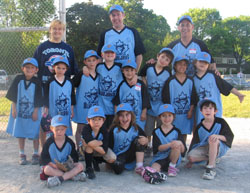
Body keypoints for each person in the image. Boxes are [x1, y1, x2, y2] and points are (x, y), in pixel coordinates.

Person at [33, 19, 78, 147]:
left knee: (62, 120)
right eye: (55, 28)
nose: (57, 31)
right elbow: (35, 66)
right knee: (46, 120)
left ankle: (61, 147)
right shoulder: (42, 47)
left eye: (60, 29)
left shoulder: (67, 48)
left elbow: (74, 69)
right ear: (50, 30)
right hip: (45, 88)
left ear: (63, 31)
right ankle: (44, 149)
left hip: (62, 88)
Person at [6, 58, 43, 165]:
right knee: (20, 131)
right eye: (27, 67)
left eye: (32, 67)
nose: (29, 69)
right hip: (19, 110)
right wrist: (14, 109)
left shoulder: (37, 82)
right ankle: (22, 154)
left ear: (36, 70)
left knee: (36, 132)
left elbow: (39, 98)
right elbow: (13, 95)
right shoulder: (18, 79)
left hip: (33, 112)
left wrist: (36, 111)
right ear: (23, 68)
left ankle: (36, 154)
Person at [186, 98, 234, 180]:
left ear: (215, 111)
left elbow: (230, 136)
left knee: (212, 139)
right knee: (191, 157)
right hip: (206, 148)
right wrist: (190, 160)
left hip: (219, 146)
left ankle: (210, 168)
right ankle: (213, 158)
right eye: (205, 108)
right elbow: (195, 142)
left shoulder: (221, 122)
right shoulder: (200, 126)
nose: (207, 110)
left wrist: (218, 136)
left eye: (210, 108)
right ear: (201, 111)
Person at [193, 52, 245, 124]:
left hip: (214, 109)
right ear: (195, 62)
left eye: (205, 62)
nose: (203, 64)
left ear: (208, 65)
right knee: (202, 128)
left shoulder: (213, 76)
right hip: (200, 111)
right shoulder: (192, 78)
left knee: (215, 128)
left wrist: (239, 94)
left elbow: (227, 86)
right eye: (200, 61)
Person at [139, 48, 174, 151]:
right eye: (162, 57)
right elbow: (141, 74)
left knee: (160, 126)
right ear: (158, 56)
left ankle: (158, 144)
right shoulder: (149, 67)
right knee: (148, 128)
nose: (163, 60)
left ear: (169, 63)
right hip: (149, 103)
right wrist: (145, 83)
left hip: (161, 104)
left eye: (167, 60)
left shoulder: (167, 72)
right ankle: (148, 144)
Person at [40, 115, 86, 188]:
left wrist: (69, 164)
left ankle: (61, 178)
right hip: (55, 167)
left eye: (62, 129)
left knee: (80, 166)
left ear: (66, 129)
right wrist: (54, 165)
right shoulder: (48, 142)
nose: (59, 132)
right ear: (52, 128)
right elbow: (44, 158)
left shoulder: (70, 142)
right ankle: (71, 176)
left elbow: (74, 157)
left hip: (67, 167)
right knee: (47, 169)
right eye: (57, 129)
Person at [97, 4, 146, 70]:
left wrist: (135, 72)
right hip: (111, 73)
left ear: (123, 15)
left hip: (128, 73)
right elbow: (100, 56)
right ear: (110, 17)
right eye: (113, 15)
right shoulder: (105, 34)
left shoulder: (133, 32)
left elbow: (139, 55)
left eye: (118, 14)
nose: (116, 18)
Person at [162, 56, 198, 142]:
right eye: (179, 64)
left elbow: (193, 98)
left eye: (184, 65)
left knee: (183, 133)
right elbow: (165, 98)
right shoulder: (170, 81)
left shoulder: (190, 80)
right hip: (174, 114)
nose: (182, 66)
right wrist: (169, 114)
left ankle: (182, 149)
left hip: (186, 113)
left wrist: (190, 110)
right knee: (172, 132)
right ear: (175, 66)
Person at [72, 50, 100, 159]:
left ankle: (89, 149)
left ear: (97, 61)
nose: (91, 63)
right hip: (81, 107)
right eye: (89, 61)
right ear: (85, 62)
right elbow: (71, 86)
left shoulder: (99, 75)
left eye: (93, 60)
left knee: (93, 129)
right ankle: (79, 149)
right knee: (80, 129)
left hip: (94, 109)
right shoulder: (81, 74)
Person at [109, 103, 148, 175]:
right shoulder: (114, 130)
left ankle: (139, 167)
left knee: (139, 139)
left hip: (132, 154)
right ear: (117, 117)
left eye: (127, 114)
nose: (125, 118)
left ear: (132, 115)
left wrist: (145, 140)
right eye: (121, 115)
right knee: (117, 170)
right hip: (119, 155)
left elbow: (145, 140)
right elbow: (109, 147)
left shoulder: (135, 128)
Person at [112, 60, 150, 130]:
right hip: (124, 118)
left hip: (138, 117)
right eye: (127, 70)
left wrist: (144, 113)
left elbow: (145, 99)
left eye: (132, 70)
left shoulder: (140, 84)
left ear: (135, 71)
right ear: (123, 71)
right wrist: (116, 114)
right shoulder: (121, 85)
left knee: (138, 134)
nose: (129, 73)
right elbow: (116, 102)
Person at [151, 104, 186, 177]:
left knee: (177, 145)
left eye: (169, 115)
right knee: (153, 169)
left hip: (172, 157)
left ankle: (172, 167)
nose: (167, 118)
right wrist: (170, 144)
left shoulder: (177, 131)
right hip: (160, 157)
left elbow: (183, 150)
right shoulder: (156, 131)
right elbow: (158, 148)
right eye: (164, 116)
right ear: (159, 117)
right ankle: (157, 174)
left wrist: (179, 143)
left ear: (174, 117)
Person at [81, 105, 116, 179]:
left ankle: (95, 160)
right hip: (86, 150)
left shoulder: (104, 130)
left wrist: (92, 143)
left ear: (104, 120)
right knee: (88, 146)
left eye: (99, 119)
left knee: (112, 158)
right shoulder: (86, 128)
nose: (96, 122)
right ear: (88, 120)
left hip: (100, 150)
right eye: (93, 119)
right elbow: (90, 143)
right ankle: (89, 167)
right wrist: (101, 142)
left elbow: (104, 151)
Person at [44, 56, 76, 136]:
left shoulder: (69, 81)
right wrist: (46, 109)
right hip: (53, 111)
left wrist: (72, 109)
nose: (60, 70)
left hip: (66, 111)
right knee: (54, 130)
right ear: (54, 67)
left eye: (63, 68)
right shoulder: (50, 82)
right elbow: (46, 96)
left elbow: (72, 96)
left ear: (66, 69)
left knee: (65, 129)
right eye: (58, 68)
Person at [96, 44, 123, 130]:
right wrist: (85, 68)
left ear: (115, 54)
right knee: (102, 130)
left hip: (113, 105)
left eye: (112, 53)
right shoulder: (99, 67)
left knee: (113, 129)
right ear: (102, 54)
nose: (109, 54)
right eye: (107, 52)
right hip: (102, 104)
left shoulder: (119, 67)